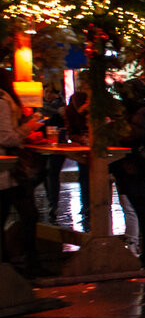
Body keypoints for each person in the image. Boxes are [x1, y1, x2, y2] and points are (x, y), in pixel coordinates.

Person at [112, 79, 145, 269]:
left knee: (144, 212)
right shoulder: (140, 111)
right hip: (133, 168)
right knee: (141, 211)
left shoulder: (144, 113)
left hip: (141, 169)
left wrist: (126, 136)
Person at [0, 70, 45, 274]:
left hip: (10, 172)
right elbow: (6, 138)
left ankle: (10, 263)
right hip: (8, 171)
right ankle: (27, 264)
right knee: (28, 214)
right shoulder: (3, 102)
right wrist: (28, 127)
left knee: (22, 214)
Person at [44, 91, 90, 223]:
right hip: (62, 144)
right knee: (53, 171)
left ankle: (86, 206)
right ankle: (54, 204)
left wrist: (79, 138)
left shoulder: (72, 112)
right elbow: (66, 130)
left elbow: (71, 131)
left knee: (84, 173)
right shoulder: (64, 113)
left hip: (77, 146)